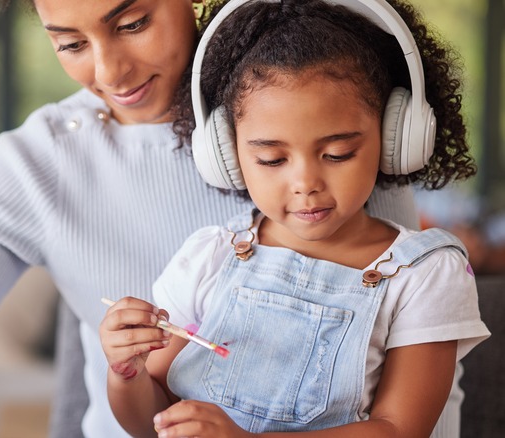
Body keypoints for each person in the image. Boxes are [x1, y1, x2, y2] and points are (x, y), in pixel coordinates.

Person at [0, 1, 422, 437]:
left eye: (133, 23)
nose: (110, 73)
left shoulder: (322, 113)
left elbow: (418, 382)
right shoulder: (38, 165)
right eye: (70, 44)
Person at [99, 0, 490, 437]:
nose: (305, 182)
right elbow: (152, 422)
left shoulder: (424, 273)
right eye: (271, 159)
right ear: (226, 154)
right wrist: (125, 372)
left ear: (394, 135)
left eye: (337, 154)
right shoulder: (209, 256)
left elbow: (399, 429)